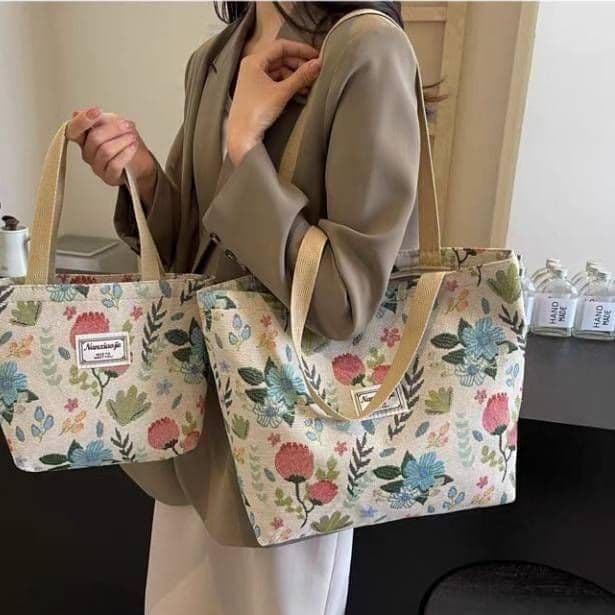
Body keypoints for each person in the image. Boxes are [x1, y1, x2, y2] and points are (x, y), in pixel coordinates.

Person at [67, 2, 420, 613]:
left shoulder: (366, 48)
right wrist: (144, 178)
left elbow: (345, 301)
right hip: (196, 431)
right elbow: (193, 252)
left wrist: (244, 146)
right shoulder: (216, 57)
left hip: (290, 440)